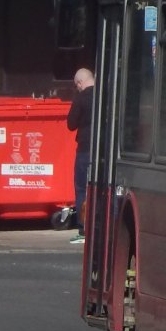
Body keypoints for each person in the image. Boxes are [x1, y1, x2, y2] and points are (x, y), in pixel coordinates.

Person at [66, 68, 95, 244]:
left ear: (79, 83)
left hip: (85, 148)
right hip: (104, 150)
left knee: (82, 188)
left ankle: (84, 229)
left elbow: (71, 124)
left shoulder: (81, 97)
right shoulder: (106, 95)